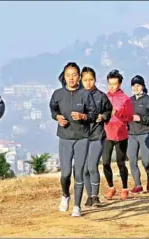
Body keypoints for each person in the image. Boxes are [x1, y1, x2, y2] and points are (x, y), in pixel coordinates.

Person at [49, 62, 97, 217]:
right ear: (64, 76)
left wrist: (84, 116)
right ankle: (65, 195)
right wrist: (57, 117)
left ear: (79, 77)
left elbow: (93, 115)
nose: (71, 78)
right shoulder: (57, 94)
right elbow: (53, 109)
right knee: (65, 173)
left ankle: (77, 206)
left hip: (82, 137)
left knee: (79, 172)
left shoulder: (85, 94)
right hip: (65, 137)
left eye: (74, 75)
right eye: (68, 75)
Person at [81, 67, 113, 207]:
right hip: (81, 137)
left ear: (95, 79)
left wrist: (104, 116)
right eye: (85, 80)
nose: (88, 83)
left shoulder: (101, 96)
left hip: (97, 135)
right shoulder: (78, 95)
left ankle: (95, 196)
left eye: (91, 80)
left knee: (92, 166)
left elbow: (108, 110)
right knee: (84, 169)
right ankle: (89, 196)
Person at [102, 69, 134, 200]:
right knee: (105, 162)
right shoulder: (104, 97)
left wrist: (117, 113)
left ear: (120, 84)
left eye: (114, 84)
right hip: (106, 134)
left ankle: (125, 188)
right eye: (110, 84)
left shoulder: (125, 99)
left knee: (121, 163)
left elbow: (130, 117)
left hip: (121, 134)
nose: (112, 86)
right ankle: (111, 187)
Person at [127, 75, 149, 193]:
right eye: (133, 85)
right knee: (132, 159)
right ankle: (138, 184)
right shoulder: (128, 101)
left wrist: (140, 118)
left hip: (146, 133)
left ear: (143, 86)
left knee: (145, 161)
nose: (135, 88)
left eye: (138, 85)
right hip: (131, 134)